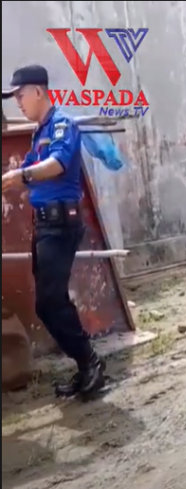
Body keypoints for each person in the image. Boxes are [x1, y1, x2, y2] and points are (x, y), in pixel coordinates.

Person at [0, 65, 106, 399]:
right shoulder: (39, 131)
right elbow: (30, 167)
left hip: (61, 224)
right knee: (49, 302)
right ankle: (86, 365)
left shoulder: (62, 124)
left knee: (49, 301)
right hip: (46, 224)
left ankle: (91, 363)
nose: (17, 103)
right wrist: (12, 178)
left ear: (38, 91)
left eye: (19, 95)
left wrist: (22, 177)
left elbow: (57, 164)